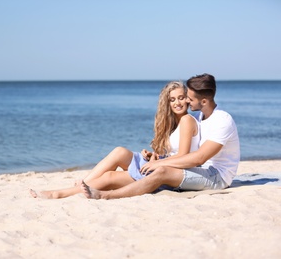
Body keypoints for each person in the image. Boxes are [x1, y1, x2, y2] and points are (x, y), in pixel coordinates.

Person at [81, 73, 240, 199]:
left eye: (189, 99)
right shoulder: (200, 117)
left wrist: (158, 164)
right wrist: (158, 157)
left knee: (161, 171)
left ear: (203, 101)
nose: (187, 102)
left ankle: (107, 195)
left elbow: (198, 158)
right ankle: (81, 185)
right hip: (198, 170)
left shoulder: (222, 120)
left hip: (217, 177)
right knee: (122, 155)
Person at [30, 81, 200, 199]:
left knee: (110, 177)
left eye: (180, 97)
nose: (177, 102)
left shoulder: (187, 120)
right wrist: (154, 157)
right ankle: (83, 183)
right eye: (172, 99)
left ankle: (60, 193)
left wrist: (157, 164)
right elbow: (175, 153)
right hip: (163, 164)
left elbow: (184, 157)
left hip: (170, 174)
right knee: (120, 151)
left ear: (187, 98)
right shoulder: (177, 123)